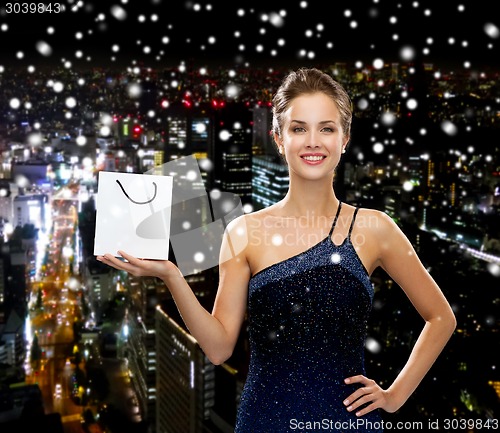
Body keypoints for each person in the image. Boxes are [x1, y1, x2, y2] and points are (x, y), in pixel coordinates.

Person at [96, 67, 456, 432]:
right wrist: (171, 275)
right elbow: (219, 349)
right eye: (299, 128)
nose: (313, 141)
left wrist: (394, 396)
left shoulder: (375, 228)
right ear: (279, 138)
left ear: (344, 138)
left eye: (326, 128)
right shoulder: (243, 232)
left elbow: (442, 318)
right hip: (264, 420)